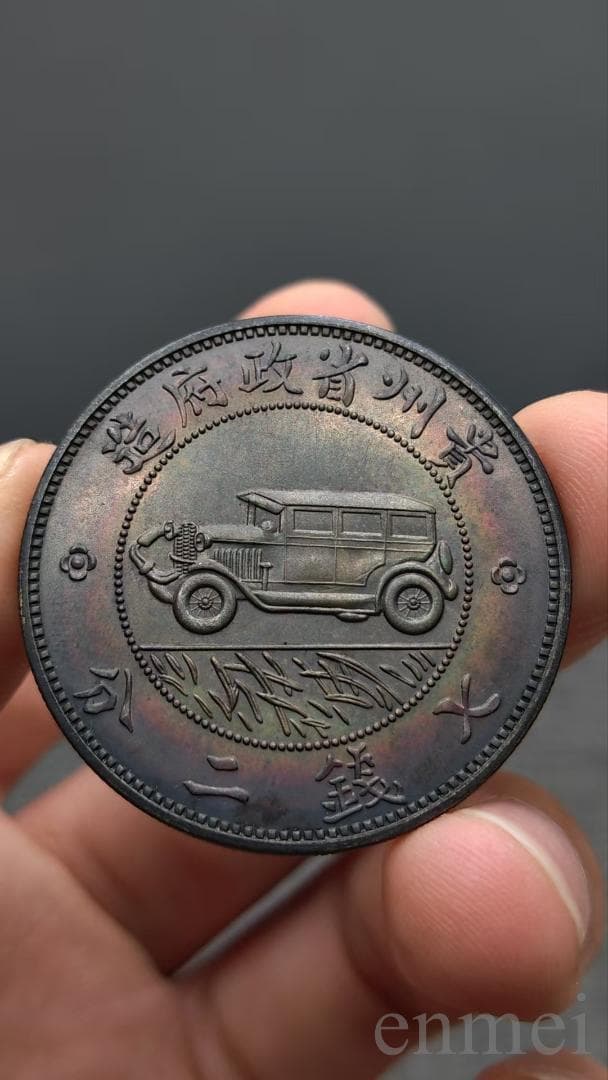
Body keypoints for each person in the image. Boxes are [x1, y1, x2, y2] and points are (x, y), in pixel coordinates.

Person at [0, 280, 605, 1079]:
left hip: (341, 596)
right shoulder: (225, 563)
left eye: (279, 522)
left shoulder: (400, 569)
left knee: (478, 890)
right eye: (272, 523)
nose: (265, 529)